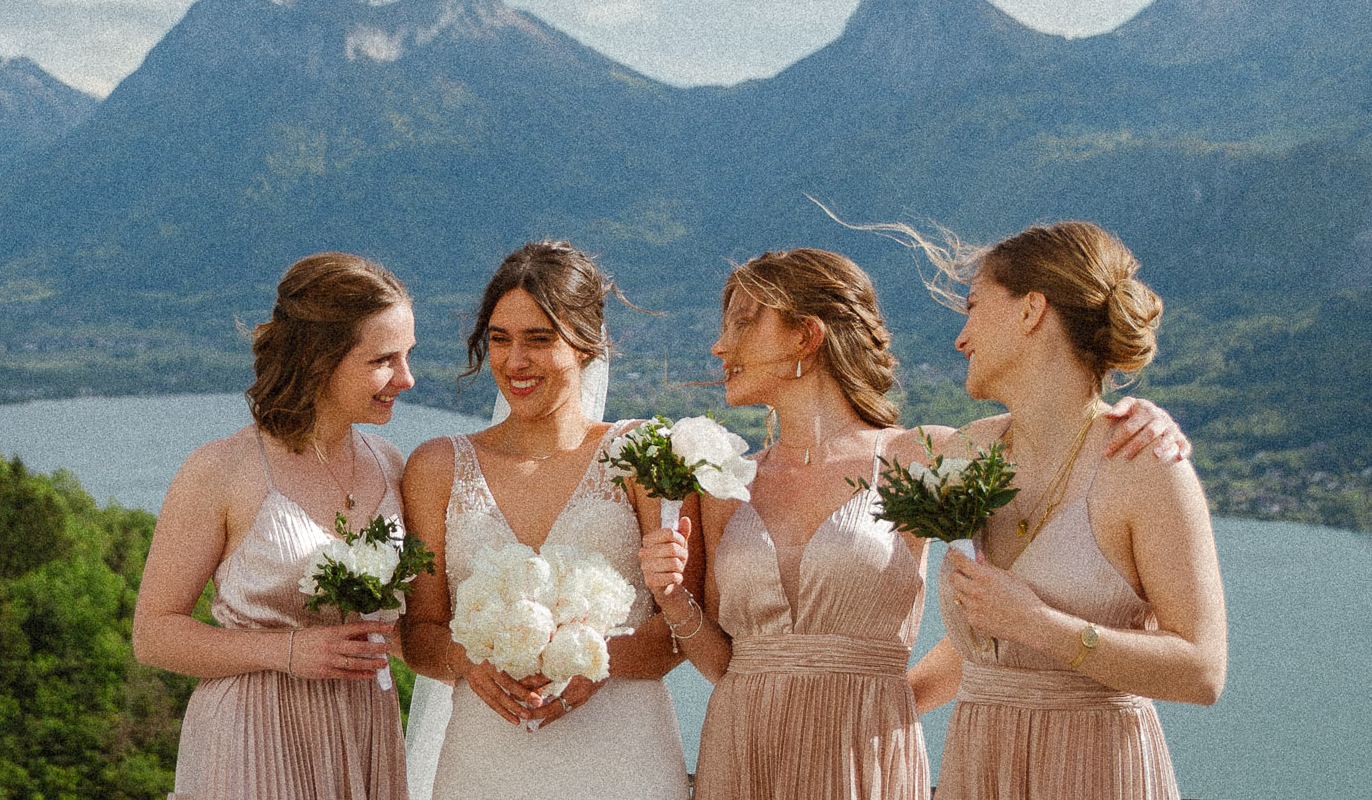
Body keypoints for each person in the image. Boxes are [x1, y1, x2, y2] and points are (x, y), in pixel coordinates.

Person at [636, 249, 1189, 800]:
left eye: (742, 321)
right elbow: (722, 663)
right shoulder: (725, 484)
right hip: (742, 749)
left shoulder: (932, 455)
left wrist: (1140, 417)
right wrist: (671, 594)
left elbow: (1050, 461)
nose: (719, 345)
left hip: (867, 749)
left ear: (806, 336)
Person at [918, 221, 1228, 800]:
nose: (961, 338)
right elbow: (990, 646)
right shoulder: (966, 451)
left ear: (1031, 310)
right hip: (977, 767)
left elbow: (1203, 670)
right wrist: (888, 710)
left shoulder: (1143, 464)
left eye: (974, 307)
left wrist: (1042, 626)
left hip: (1096, 770)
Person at [400, 242, 690, 800]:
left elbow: (680, 629)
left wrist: (596, 663)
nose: (514, 362)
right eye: (501, 339)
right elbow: (421, 633)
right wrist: (468, 660)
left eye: (539, 339)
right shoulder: (436, 466)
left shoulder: (643, 455)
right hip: (487, 752)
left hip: (622, 751)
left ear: (586, 346)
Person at [134, 252, 418, 800]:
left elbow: (405, 632)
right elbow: (154, 634)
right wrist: (286, 652)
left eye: (407, 355)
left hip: (364, 729)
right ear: (318, 358)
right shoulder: (221, 470)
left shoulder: (390, 464)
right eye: (384, 359)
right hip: (250, 735)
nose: (406, 378)